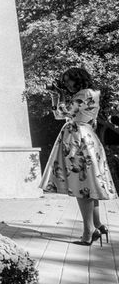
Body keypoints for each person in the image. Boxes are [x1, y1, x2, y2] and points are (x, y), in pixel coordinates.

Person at [39, 67, 117, 246]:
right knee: (89, 186)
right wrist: (57, 95)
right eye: (64, 81)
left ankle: (88, 232)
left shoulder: (84, 94)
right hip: (87, 137)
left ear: (78, 79)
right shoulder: (92, 92)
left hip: (78, 140)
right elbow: (65, 113)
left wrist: (57, 96)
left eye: (68, 80)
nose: (66, 84)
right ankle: (97, 225)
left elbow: (63, 113)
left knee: (83, 187)